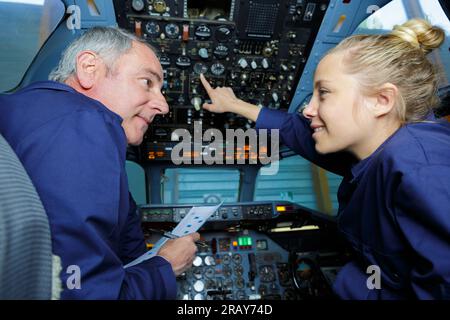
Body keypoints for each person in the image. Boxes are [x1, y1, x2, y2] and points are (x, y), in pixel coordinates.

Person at [200, 18, 450, 299]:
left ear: (381, 100)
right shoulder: (375, 154)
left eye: (324, 93)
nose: (308, 109)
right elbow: (295, 131)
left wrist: (353, 285)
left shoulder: (419, 165)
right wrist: (233, 105)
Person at [0, 27, 199, 299]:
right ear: (89, 68)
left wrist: (147, 260)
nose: (163, 105)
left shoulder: (32, 109)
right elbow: (84, 294)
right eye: (147, 82)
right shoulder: (86, 125)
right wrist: (165, 266)